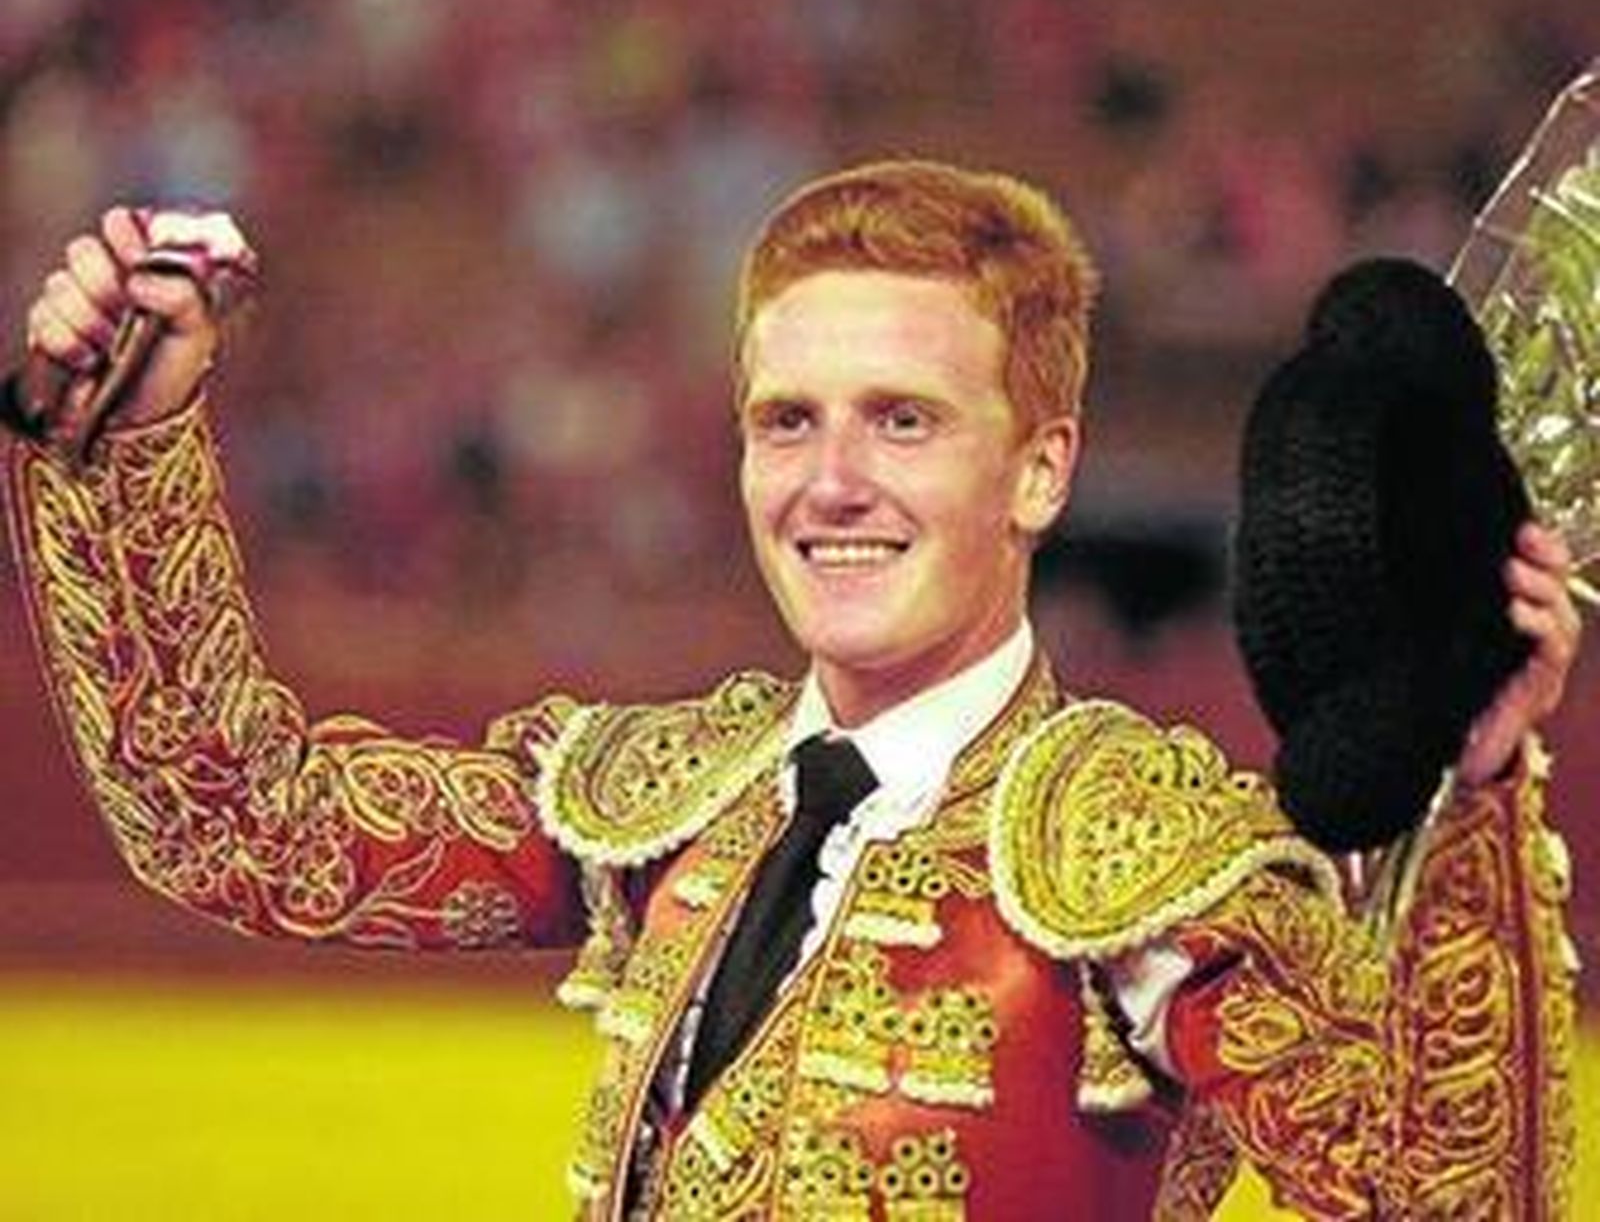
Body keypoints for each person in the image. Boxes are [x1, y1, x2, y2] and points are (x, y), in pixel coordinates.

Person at [5, 160, 1581, 1218]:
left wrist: (1483, 793)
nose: (830, 484)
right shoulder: (663, 798)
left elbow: (1456, 1199)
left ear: (1040, 471)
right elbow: (243, 826)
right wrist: (128, 450)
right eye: (786, 421)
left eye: (903, 421)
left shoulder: (1137, 858)